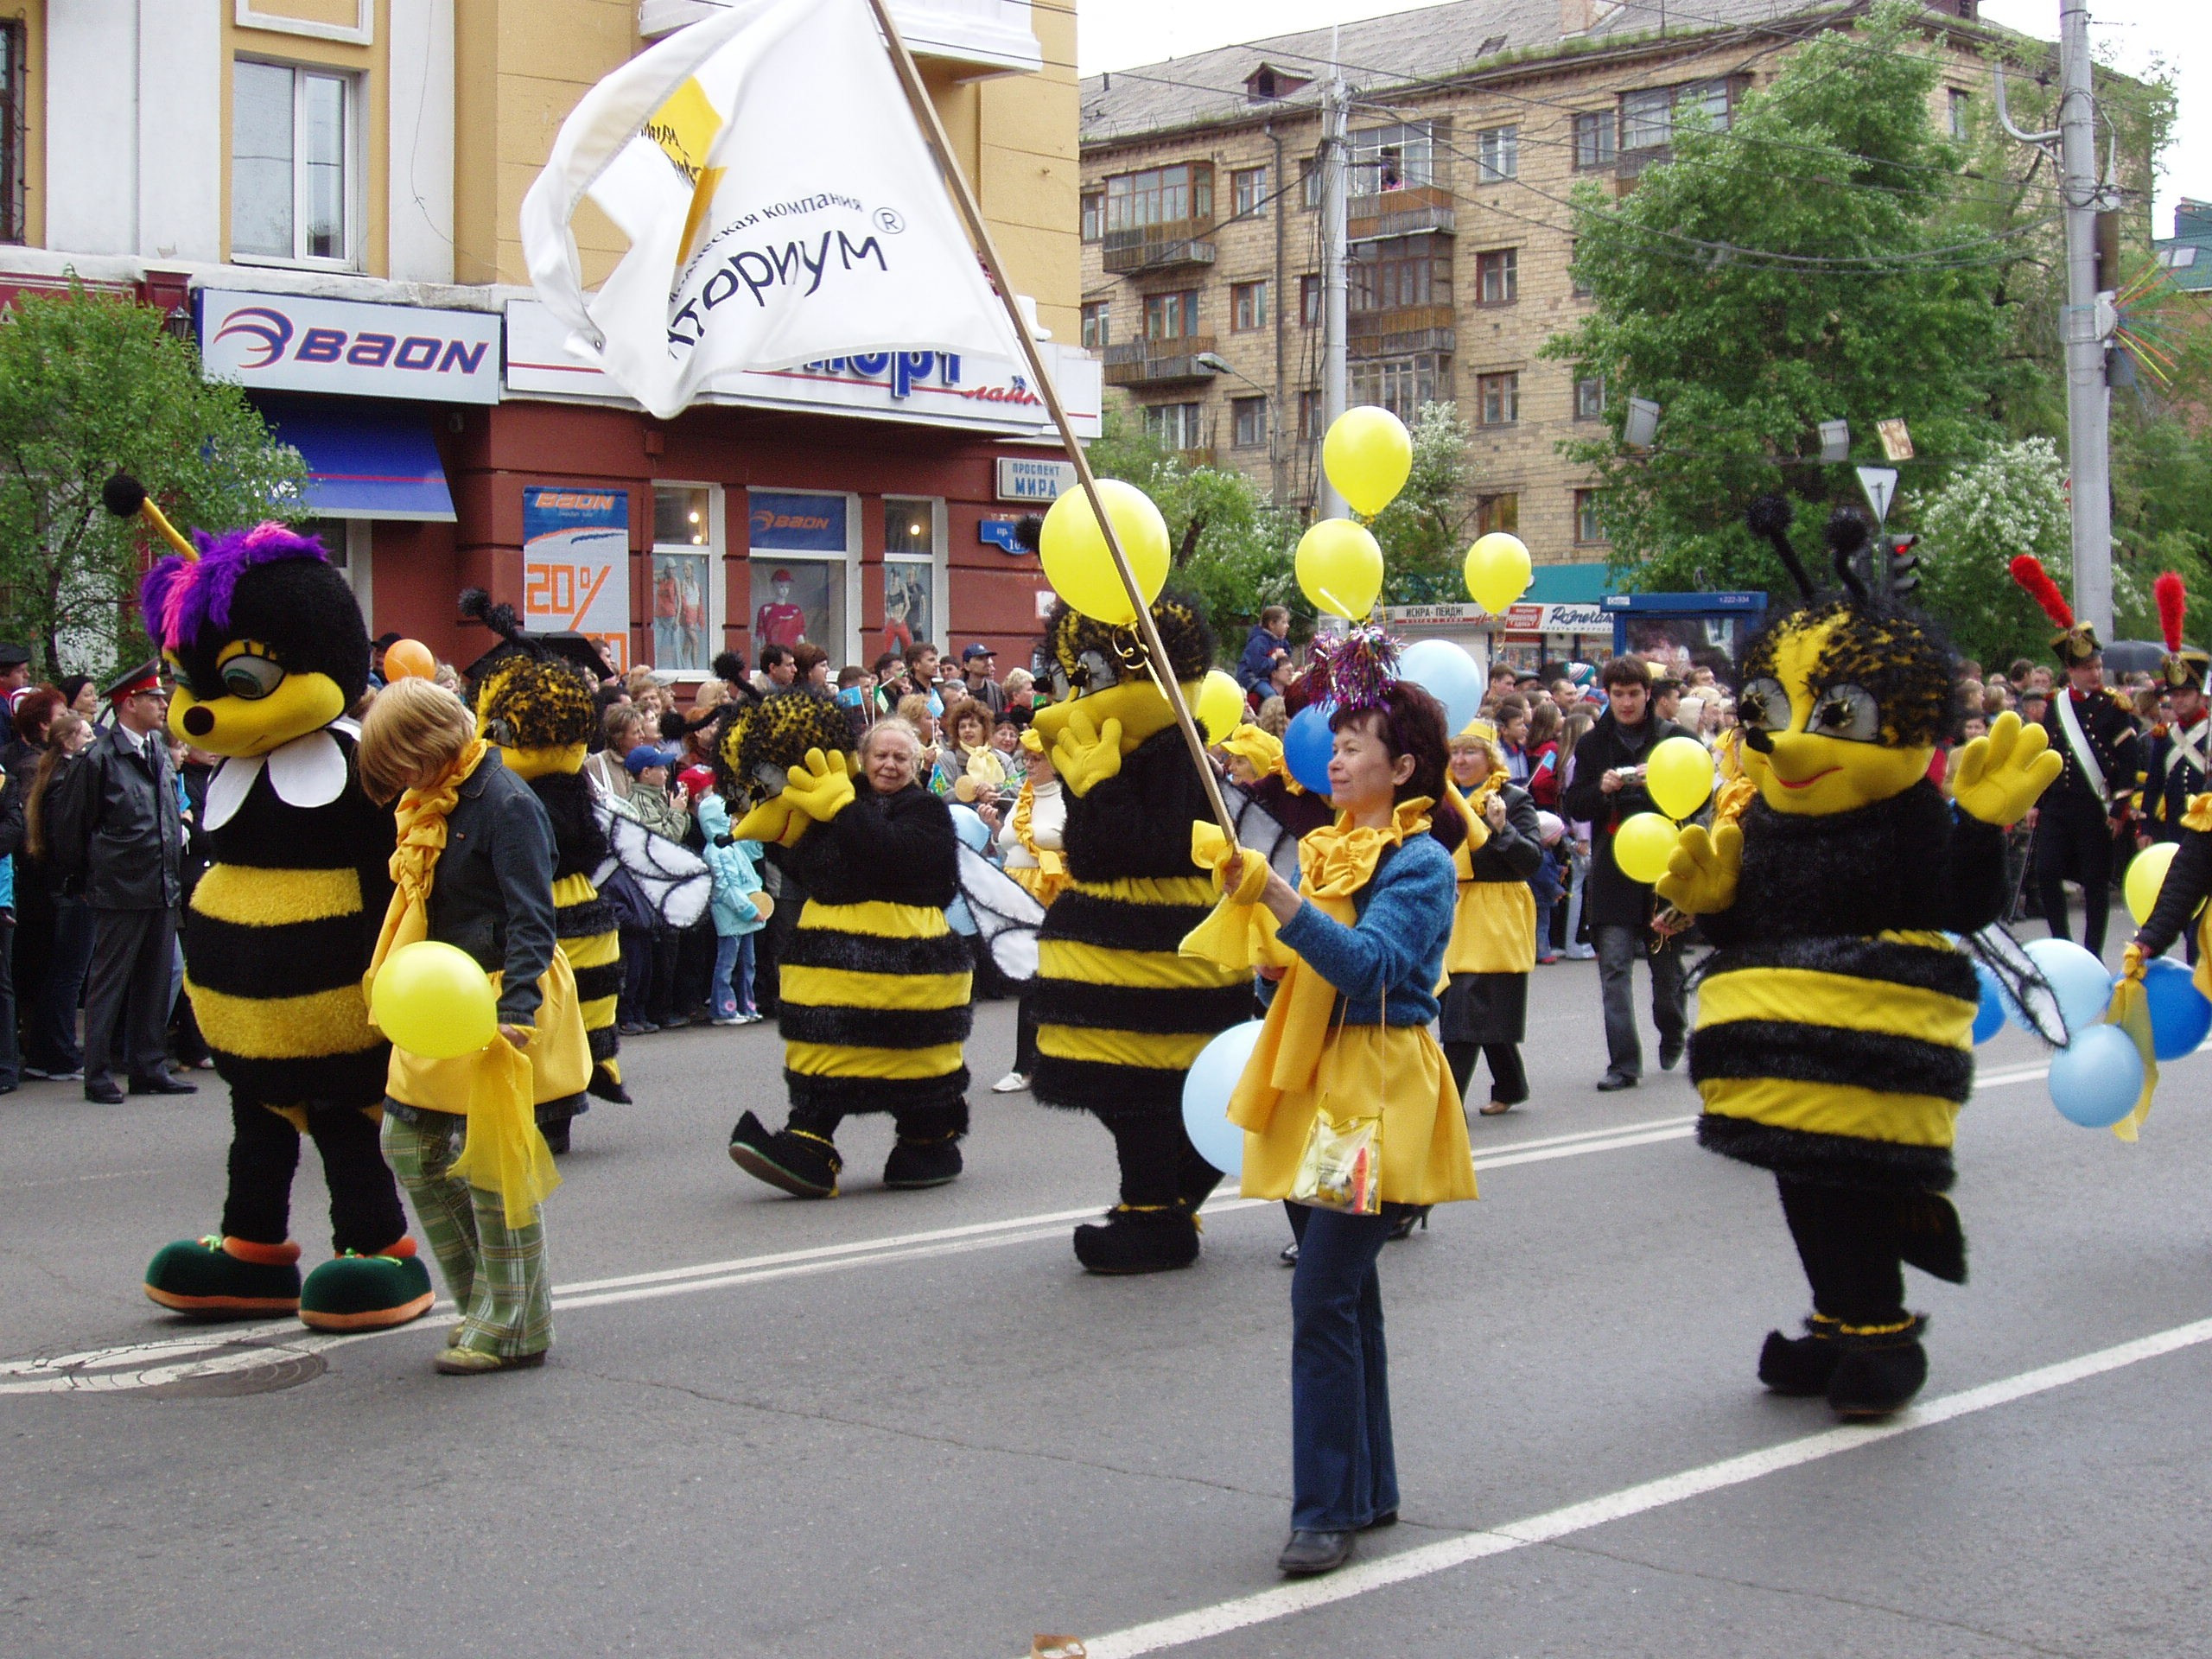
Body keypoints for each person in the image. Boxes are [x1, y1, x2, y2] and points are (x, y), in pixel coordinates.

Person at [1663, 494, 2059, 1417]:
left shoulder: (1905, 814)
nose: (1789, 737)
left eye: (1834, 713)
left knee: (1852, 1186)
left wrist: (1980, 828)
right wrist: (1716, 907)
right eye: (1769, 708)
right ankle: (1837, 1322)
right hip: (1786, 1053)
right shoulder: (1770, 815)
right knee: (1803, 1185)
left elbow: (1958, 909)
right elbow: (1758, 932)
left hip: (1868, 1051)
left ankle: (1882, 1333)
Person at [1205, 673, 1477, 1577]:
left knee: (1322, 1294)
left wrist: (1279, 902)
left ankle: (1323, 1511)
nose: (1337, 757)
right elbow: (1306, 970)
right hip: (1309, 1078)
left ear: (1402, 768)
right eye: (1338, 743)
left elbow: (1368, 966)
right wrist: (1267, 948)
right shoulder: (1325, 849)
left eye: (1356, 745)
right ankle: (1366, 1488)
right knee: (1348, 1295)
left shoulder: (1419, 862)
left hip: (1368, 1092)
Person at [357, 679, 588, 1374]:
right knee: (409, 1145)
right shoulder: (436, 796)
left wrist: (516, 1012)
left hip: (494, 997)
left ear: (427, 742)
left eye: (399, 761)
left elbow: (533, 918)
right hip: (441, 996)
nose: (396, 778)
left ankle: (516, 1327)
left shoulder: (507, 803)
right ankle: (485, 1301)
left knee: (493, 1168)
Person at [1027, 594, 1254, 1273]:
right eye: (1068, 678)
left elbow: (1154, 846)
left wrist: (1102, 789)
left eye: (1090, 676)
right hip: (1116, 948)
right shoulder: (1112, 746)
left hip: (1161, 947)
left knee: (1140, 1086)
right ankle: (1174, 1189)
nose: (1073, 695)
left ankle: (1156, 1211)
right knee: (1120, 1083)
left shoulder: (1176, 753)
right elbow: (1096, 849)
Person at [725, 709, 975, 1196]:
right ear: (863, 758)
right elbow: (813, 868)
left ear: (916, 764)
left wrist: (843, 809)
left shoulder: (924, 809)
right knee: (827, 1051)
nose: (889, 765)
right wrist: (783, 836)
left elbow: (891, 850)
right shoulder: (839, 799)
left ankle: (927, 1140)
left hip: (908, 959)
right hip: (831, 961)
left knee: (913, 1058)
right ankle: (809, 1139)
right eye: (880, 755)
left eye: (900, 757)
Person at [46, 663, 193, 1104]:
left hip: (160, 884)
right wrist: (85, 878)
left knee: (155, 980)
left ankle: (148, 1067)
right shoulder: (99, 758)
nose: (164, 705)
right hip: (120, 887)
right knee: (109, 983)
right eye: (155, 699)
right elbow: (72, 827)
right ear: (130, 703)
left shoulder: (157, 750)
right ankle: (97, 1073)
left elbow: (165, 816)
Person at [1559, 653, 1692, 1090]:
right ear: (1608, 695)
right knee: (1614, 971)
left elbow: (1699, 801)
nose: (1627, 703)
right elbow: (1574, 806)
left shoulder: (1675, 739)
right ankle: (1624, 1064)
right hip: (1612, 869)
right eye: (1618, 694)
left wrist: (1662, 783)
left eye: (1634, 694)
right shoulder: (1592, 745)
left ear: (1648, 694)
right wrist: (1602, 789)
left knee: (1666, 973)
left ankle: (1673, 1029)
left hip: (1663, 871)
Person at [2010, 556, 2139, 957]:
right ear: (2071, 670)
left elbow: (2128, 761)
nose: (2095, 674)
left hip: (2094, 805)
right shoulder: (2056, 705)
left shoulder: (2114, 707)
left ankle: (2092, 952)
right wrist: (2036, 801)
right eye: (2086, 668)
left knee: (2095, 882)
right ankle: (2063, 945)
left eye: (2097, 666)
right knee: (2047, 871)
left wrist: (2118, 809)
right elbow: (2047, 753)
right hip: (2058, 805)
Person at [1439, 721, 1541, 1116]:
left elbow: (1530, 860)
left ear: (1490, 758)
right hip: (1456, 908)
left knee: (1466, 1009)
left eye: (1471, 752)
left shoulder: (1512, 799)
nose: (1461, 760)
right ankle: (1511, 1084)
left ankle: (1444, 1108)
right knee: (1476, 1005)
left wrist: (1503, 829)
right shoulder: (1443, 799)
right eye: (1455, 752)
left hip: (1496, 911)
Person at [17, 710, 93, 1078]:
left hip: (65, 885)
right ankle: (56, 1052)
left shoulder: (57, 776)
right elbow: (67, 839)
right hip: (72, 888)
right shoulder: (64, 781)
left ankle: (48, 1050)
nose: (93, 742)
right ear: (67, 742)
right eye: (87, 735)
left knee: (65, 971)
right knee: (69, 973)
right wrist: (81, 878)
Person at [993, 732, 1064, 1095]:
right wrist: (994, 825)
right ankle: (1031, 1065)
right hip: (1017, 894)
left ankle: (1031, 1066)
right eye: (1026, 759)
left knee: (1044, 979)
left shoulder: (1070, 797)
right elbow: (1007, 842)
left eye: (1037, 758)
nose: (1029, 765)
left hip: (1053, 893)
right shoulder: (1024, 795)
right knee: (1030, 979)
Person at [2140, 573, 2208, 851]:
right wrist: (2146, 827)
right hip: (2175, 829)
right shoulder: (2164, 735)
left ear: (2200, 695)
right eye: (2174, 695)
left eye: (2185, 695)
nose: (2178, 701)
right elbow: (2155, 782)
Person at [696, 787, 767, 1025]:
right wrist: (750, 910)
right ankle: (723, 1009)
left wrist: (748, 829)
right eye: (729, 816)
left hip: (747, 913)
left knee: (748, 962)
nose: (734, 820)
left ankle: (747, 1005)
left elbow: (755, 848)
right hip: (732, 914)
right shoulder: (716, 852)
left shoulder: (730, 845)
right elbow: (727, 888)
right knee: (727, 963)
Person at [1238, 605, 1293, 694]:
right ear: (1272, 624)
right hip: (1253, 677)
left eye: (1287, 622)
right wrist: (1274, 657)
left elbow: (1288, 657)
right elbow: (1260, 669)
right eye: (1283, 622)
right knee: (1271, 694)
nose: (1287, 626)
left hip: (1268, 677)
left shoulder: (1281, 641)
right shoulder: (1259, 642)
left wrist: (1285, 656)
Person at [755, 570, 807, 647]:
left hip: (791, 652)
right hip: (772, 652)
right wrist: (761, 652)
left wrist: (804, 652)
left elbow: (800, 636)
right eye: (781, 586)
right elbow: (760, 637)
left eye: (787, 587)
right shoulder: (765, 610)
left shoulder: (795, 610)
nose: (785, 590)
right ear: (774, 586)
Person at [957, 643, 1006, 716]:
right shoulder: (957, 691)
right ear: (966, 665)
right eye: (980, 658)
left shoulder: (997, 691)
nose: (987, 662)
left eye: (987, 658)